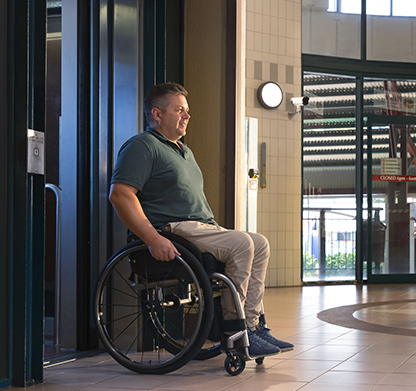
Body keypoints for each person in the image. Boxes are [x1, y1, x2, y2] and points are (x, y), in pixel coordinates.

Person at [109, 82, 293, 358]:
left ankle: (253, 327)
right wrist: (152, 238)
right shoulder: (141, 146)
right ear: (157, 115)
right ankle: (235, 330)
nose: (187, 116)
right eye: (180, 110)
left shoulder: (184, 150)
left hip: (201, 227)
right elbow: (121, 195)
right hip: (173, 228)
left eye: (187, 110)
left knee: (260, 243)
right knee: (243, 243)